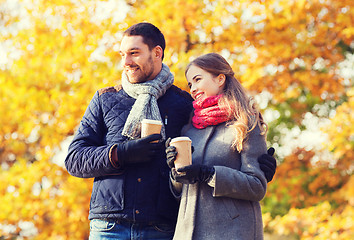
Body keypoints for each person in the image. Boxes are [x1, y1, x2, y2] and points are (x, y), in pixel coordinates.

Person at [65, 22, 276, 240]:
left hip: (163, 229)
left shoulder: (184, 104)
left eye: (134, 53)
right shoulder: (105, 99)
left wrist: (260, 165)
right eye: (123, 54)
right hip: (109, 227)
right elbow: (74, 159)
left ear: (157, 53)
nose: (126, 62)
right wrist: (121, 153)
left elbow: (217, 142)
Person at [165, 53, 271, 240]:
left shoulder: (246, 122)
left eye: (198, 80)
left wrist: (210, 174)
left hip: (233, 231)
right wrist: (175, 173)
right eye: (190, 84)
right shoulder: (189, 128)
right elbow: (180, 191)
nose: (193, 88)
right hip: (187, 232)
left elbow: (257, 186)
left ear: (220, 78)